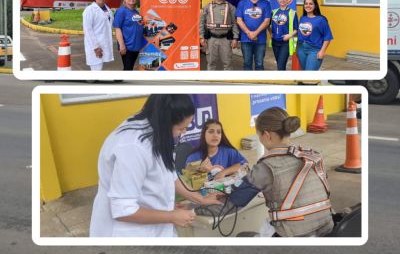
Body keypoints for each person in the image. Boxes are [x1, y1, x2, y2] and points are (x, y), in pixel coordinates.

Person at [90, 94, 221, 237]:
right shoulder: (132, 147)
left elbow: (169, 174)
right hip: (128, 233)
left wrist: (200, 199)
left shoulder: (158, 129)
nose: (183, 133)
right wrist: (171, 216)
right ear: (165, 122)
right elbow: (124, 210)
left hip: (157, 226)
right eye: (181, 128)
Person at [230, 107, 334, 237]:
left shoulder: (265, 167)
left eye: (259, 135)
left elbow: (235, 199)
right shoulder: (312, 156)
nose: (260, 140)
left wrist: (203, 205)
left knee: (242, 237)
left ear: (267, 135)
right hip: (326, 229)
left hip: (293, 236)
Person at [199, 0, 239, 70]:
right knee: (211, 62)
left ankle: (227, 82)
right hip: (211, 39)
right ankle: (211, 81)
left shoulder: (230, 7)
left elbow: (234, 23)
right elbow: (201, 23)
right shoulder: (207, 7)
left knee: (227, 62)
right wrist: (202, 37)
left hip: (226, 39)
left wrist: (235, 38)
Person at [236, 0, 271, 70]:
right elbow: (239, 20)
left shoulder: (266, 3)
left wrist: (255, 33)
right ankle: (248, 83)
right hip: (245, 39)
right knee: (247, 63)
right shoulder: (242, 3)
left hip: (261, 39)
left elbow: (266, 21)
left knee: (259, 64)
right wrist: (249, 33)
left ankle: (259, 83)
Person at [297, 0, 333, 70]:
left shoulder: (321, 20)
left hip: (314, 50)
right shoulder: (302, 17)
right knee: (304, 73)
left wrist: (322, 51)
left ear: (315, 5)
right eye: (306, 3)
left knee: (310, 73)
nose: (308, 5)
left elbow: (327, 37)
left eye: (311, 4)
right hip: (301, 49)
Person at [82, 0, 114, 71]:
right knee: (96, 68)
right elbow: (88, 30)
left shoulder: (108, 9)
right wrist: (95, 47)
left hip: (104, 42)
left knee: (100, 67)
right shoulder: (89, 10)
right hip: (95, 44)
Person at [113, 0, 145, 70]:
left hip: (136, 46)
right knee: (128, 68)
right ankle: (117, 81)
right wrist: (122, 45)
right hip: (127, 46)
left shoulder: (136, 12)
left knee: (129, 68)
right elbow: (117, 29)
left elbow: (140, 25)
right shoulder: (121, 11)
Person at [269, 0, 299, 70]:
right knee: (279, 64)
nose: (282, 0)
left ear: (288, 0)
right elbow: (268, 25)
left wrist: (289, 35)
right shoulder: (273, 12)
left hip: (285, 43)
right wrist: (270, 33)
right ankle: (282, 80)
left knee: (281, 65)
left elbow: (297, 29)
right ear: (277, 0)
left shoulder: (292, 13)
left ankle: (282, 81)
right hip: (275, 42)